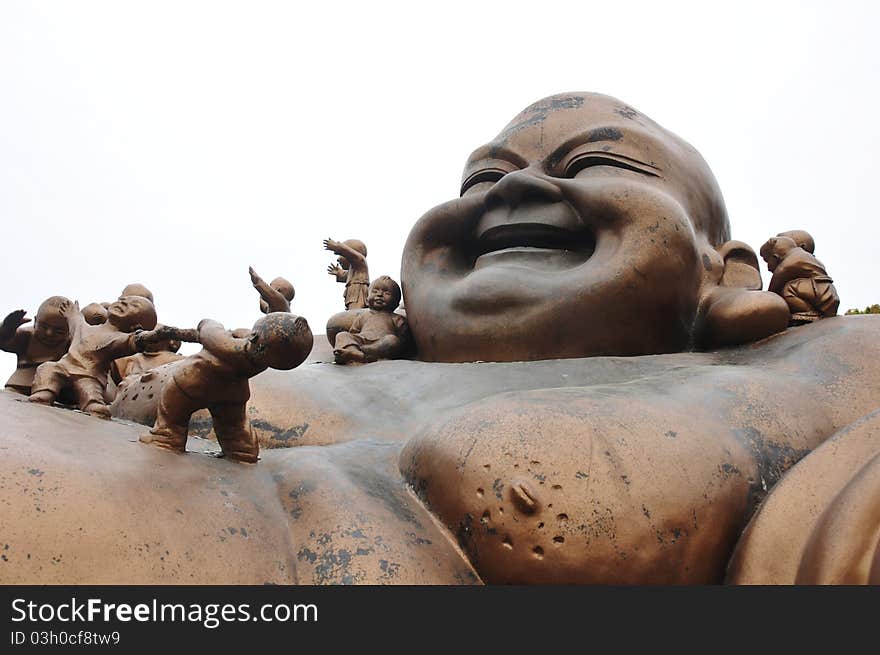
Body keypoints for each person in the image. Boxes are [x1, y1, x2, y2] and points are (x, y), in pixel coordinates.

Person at [139, 313, 313, 463]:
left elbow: (208, 329)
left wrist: (208, 324)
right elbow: (257, 340)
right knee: (234, 426)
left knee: (173, 411)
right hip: (233, 394)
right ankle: (242, 451)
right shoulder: (266, 359)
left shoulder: (228, 346)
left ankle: (167, 437)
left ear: (254, 337)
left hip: (193, 383)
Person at [28, 296, 162, 418]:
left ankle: (92, 404)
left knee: (89, 390)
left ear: (137, 326)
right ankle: (45, 392)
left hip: (88, 375)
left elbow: (137, 340)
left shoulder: (120, 338)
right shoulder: (84, 327)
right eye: (123, 300)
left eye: (133, 305)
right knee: (47, 368)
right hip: (63, 366)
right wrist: (71, 313)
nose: (123, 303)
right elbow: (76, 319)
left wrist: (155, 335)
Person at [0, 296, 73, 395]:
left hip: (59, 390)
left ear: (70, 330)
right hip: (20, 385)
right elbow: (4, 342)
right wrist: (7, 328)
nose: (49, 333)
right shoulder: (27, 335)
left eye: (59, 331)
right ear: (35, 321)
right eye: (44, 326)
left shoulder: (73, 344)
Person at [760, 235, 839, 322]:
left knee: (788, 290)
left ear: (775, 257)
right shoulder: (805, 255)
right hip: (827, 292)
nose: (767, 268)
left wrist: (765, 305)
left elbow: (774, 289)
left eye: (767, 261)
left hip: (821, 293)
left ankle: (810, 313)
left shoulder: (789, 262)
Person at [333, 276, 409, 364]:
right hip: (362, 340)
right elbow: (354, 332)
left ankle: (360, 353)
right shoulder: (364, 316)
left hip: (381, 342)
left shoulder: (396, 318)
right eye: (375, 291)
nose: (379, 294)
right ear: (367, 298)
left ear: (396, 301)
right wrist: (353, 339)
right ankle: (353, 352)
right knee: (342, 335)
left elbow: (404, 338)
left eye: (386, 293)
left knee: (392, 341)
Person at [324, 238, 370, 310]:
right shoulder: (354, 269)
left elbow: (354, 256)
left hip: (358, 292)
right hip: (352, 292)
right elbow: (347, 275)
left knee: (355, 311)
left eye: (342, 255)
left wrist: (337, 247)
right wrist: (339, 273)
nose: (338, 259)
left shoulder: (361, 263)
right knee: (351, 311)